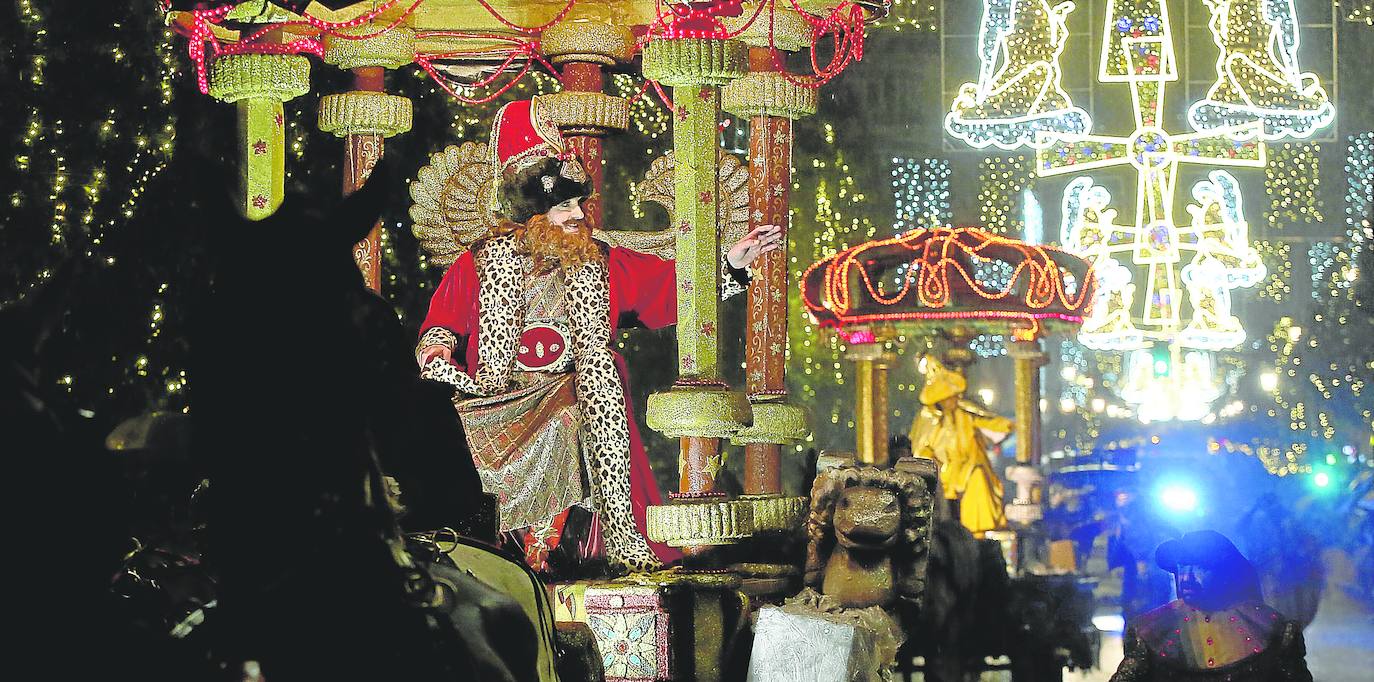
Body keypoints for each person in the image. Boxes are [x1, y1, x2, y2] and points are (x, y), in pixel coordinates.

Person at [416, 98, 781, 576]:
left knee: (592, 384)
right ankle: (495, 554)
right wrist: (439, 348)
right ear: (532, 213)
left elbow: (668, 288)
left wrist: (731, 263)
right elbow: (443, 320)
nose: (577, 215)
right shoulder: (480, 260)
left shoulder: (600, 259)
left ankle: (598, 549)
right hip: (496, 396)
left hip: (576, 391)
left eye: (578, 203)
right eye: (562, 205)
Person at [1109, 530, 1313, 681]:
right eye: (1181, 567)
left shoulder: (1273, 631)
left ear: (1225, 574)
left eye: (1200, 567)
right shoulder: (1150, 631)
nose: (1186, 577)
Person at [908, 355, 1013, 537]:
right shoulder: (929, 421)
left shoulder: (966, 415)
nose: (954, 400)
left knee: (978, 476)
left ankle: (978, 530)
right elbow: (922, 450)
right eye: (949, 397)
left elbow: (989, 424)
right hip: (944, 473)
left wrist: (1010, 425)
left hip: (968, 467)